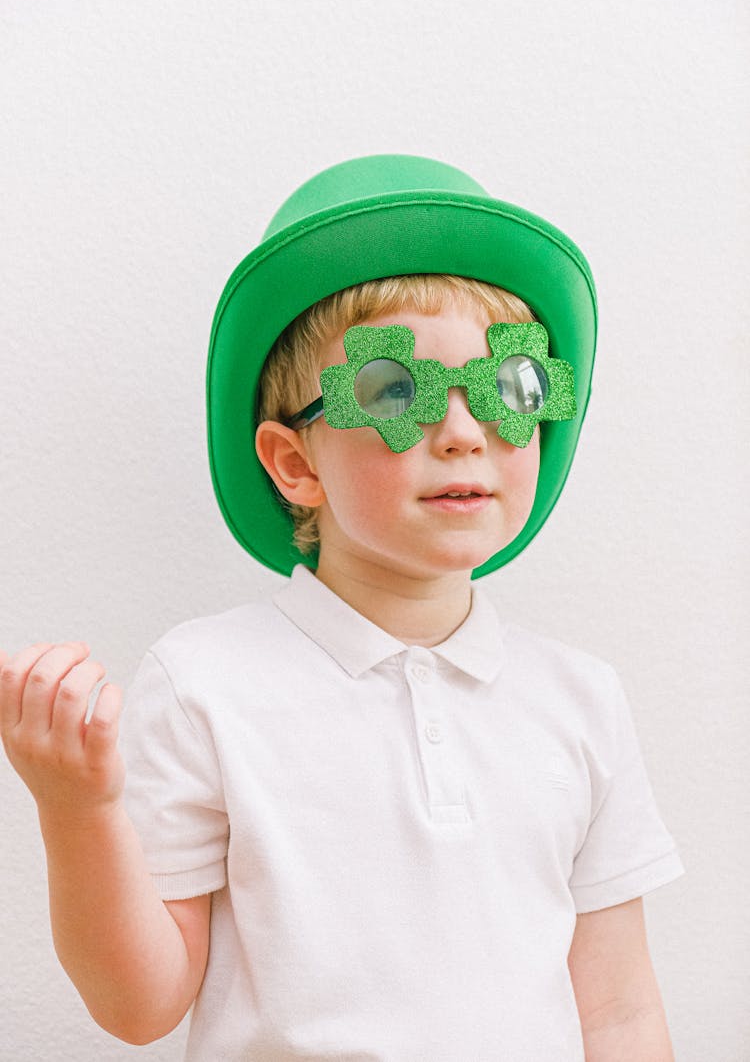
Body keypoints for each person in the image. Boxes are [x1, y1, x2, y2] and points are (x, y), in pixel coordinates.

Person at [0, 155, 685, 1060]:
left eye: (512, 386)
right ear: (295, 463)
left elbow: (621, 1012)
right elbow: (142, 1005)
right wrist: (76, 811)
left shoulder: (582, 699)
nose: (464, 430)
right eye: (394, 388)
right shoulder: (208, 683)